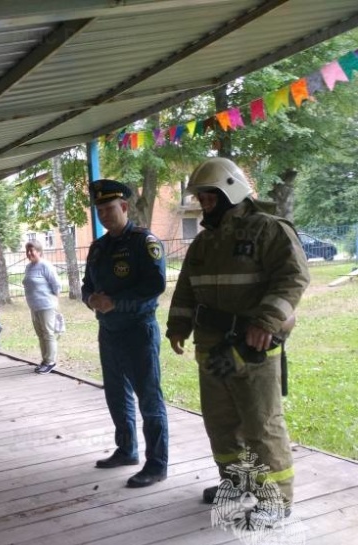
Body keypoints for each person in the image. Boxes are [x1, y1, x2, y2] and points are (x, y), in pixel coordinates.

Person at [166, 157, 310, 512]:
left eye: (209, 196)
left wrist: (266, 322)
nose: (204, 203)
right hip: (211, 347)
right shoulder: (203, 243)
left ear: (231, 190)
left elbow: (293, 277)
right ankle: (236, 483)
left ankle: (275, 499)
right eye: (201, 197)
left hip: (253, 347)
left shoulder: (267, 229)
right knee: (221, 424)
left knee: (261, 424)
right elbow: (186, 289)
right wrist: (178, 326)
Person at [81, 179, 169, 488]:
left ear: (124, 207)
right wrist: (92, 299)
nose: (104, 215)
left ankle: (156, 464)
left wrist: (115, 303)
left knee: (148, 397)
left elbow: (154, 286)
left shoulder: (144, 242)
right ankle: (126, 449)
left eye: (109, 209)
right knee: (116, 394)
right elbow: (86, 286)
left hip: (138, 330)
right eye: (100, 210)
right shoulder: (98, 247)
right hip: (109, 332)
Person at [22, 240, 62, 373]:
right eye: (27, 251)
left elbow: (56, 285)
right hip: (34, 306)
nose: (29, 253)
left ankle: (51, 361)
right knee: (40, 334)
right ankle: (45, 360)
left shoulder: (45, 265)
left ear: (39, 251)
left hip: (46, 306)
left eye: (32, 250)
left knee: (48, 333)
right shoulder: (28, 267)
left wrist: (55, 302)